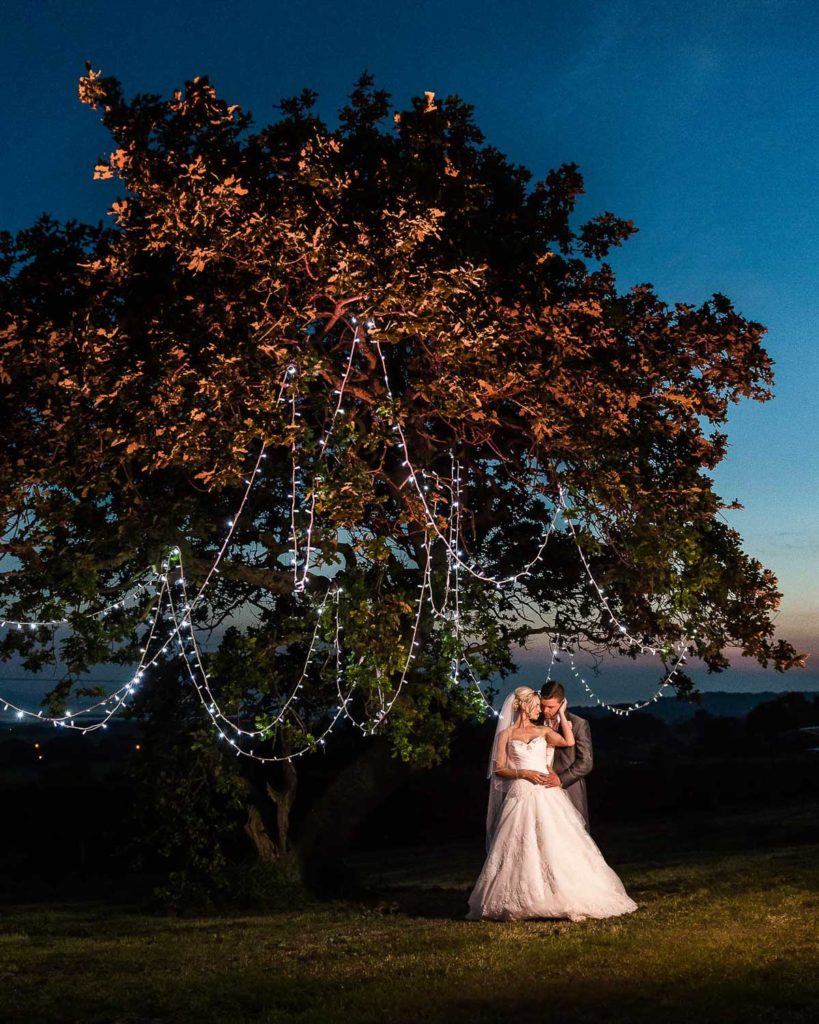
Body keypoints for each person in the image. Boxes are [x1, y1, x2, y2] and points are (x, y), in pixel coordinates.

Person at [466, 686, 637, 922]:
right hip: (522, 792)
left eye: (544, 706)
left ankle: (563, 889)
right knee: (520, 843)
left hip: (548, 792)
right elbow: (499, 768)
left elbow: (569, 742)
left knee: (557, 839)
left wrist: (563, 714)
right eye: (537, 705)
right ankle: (525, 896)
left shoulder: (544, 730)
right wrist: (523, 772)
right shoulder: (505, 735)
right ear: (525, 706)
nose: (541, 710)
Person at [537, 681, 593, 829]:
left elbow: (586, 762)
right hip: (538, 789)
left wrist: (560, 779)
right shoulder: (534, 722)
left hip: (568, 788)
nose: (545, 710)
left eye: (551, 707)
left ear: (562, 703)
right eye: (542, 705)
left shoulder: (579, 724)